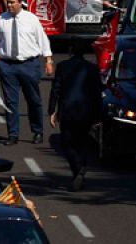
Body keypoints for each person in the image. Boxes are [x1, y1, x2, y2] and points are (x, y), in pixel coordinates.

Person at [0, 0, 53, 144]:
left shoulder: (31, 19)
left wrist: (48, 60)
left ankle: (37, 131)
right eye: (7, 2)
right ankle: (13, 134)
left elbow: (42, 40)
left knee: (33, 100)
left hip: (29, 65)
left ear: (20, 3)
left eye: (12, 2)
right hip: (8, 65)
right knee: (10, 102)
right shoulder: (1, 20)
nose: (8, 5)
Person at [48, 41, 102, 190]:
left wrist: (52, 110)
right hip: (86, 111)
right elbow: (97, 93)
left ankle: (78, 168)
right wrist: (98, 115)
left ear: (70, 50)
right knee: (82, 141)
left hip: (67, 110)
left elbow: (56, 89)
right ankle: (80, 169)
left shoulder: (63, 66)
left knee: (67, 143)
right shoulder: (92, 68)